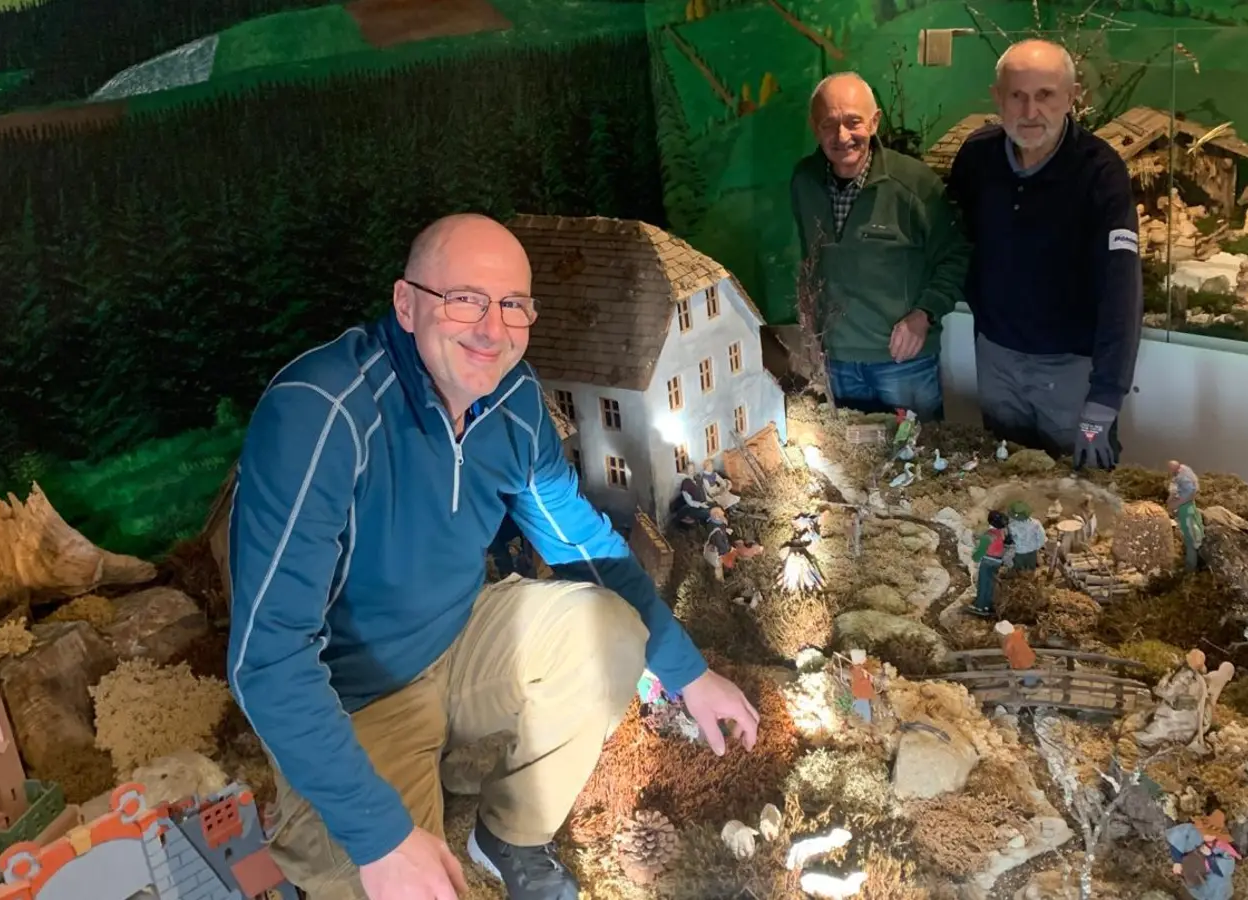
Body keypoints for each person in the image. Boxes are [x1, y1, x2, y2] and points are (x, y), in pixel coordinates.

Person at [224, 213, 760, 900]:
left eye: (514, 306)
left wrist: (687, 672)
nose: (493, 328)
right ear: (406, 304)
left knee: (607, 629)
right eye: (465, 299)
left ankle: (510, 834)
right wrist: (381, 837)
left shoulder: (513, 401)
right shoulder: (323, 414)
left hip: (456, 636)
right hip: (350, 696)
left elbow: (580, 544)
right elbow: (265, 660)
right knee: (380, 879)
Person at [944, 39, 1143, 470]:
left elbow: (1121, 290)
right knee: (1007, 475)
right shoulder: (977, 157)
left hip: (1072, 370)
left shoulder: (1100, 172)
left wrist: (1103, 402)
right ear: (998, 98)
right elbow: (953, 242)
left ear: (1072, 97)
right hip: (996, 359)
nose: (1030, 112)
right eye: (1017, 95)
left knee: (1083, 487)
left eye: (1046, 95)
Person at [789, 71, 970, 421]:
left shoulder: (915, 185)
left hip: (902, 365)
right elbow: (809, 262)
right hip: (836, 363)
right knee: (850, 467)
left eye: (853, 121)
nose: (842, 136)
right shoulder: (804, 181)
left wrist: (924, 314)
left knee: (915, 465)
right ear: (815, 127)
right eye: (829, 124)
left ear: (874, 122)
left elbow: (956, 256)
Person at [967, 510, 1013, 617]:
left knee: (983, 583)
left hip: (987, 561)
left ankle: (980, 606)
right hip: (998, 561)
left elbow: (980, 551)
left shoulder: (988, 535)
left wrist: (975, 557)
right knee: (991, 584)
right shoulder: (1003, 533)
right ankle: (988, 605)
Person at [1166, 459, 1206, 572]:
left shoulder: (1183, 478)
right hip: (1185, 508)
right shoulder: (1182, 473)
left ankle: (1191, 566)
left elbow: (1191, 492)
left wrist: (1177, 503)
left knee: (1191, 540)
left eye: (1171, 469)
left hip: (1186, 511)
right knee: (1190, 537)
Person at [1006, 500, 1045, 570]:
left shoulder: (1011, 526)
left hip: (1018, 553)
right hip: (1032, 552)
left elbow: (1009, 541)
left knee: (1018, 572)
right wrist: (1037, 547)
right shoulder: (1036, 523)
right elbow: (1042, 537)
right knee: (1030, 569)